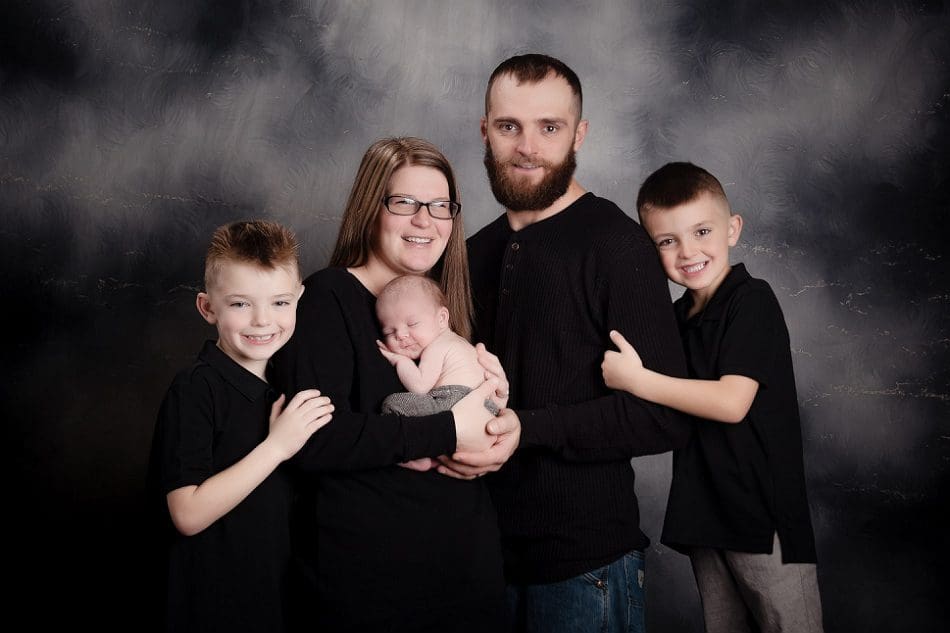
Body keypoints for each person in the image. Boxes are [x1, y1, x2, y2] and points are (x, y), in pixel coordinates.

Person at [465, 53, 692, 633]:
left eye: (550, 127)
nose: (528, 147)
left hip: (584, 567)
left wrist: (530, 428)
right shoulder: (470, 253)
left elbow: (664, 419)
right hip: (477, 562)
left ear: (579, 135)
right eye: (509, 126)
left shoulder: (617, 247)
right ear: (484, 129)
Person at [269, 137, 519, 633]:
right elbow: (314, 440)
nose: (425, 220)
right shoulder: (326, 299)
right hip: (368, 590)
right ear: (371, 208)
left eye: (441, 206)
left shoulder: (443, 311)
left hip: (466, 582)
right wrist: (449, 430)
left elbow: (468, 415)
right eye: (405, 202)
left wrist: (504, 429)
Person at [601, 161, 824, 633]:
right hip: (705, 515)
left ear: (733, 229)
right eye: (667, 241)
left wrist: (638, 380)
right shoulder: (675, 318)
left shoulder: (752, 300)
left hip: (763, 521)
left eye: (702, 231)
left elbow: (731, 402)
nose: (688, 251)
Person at [148, 220, 335, 633]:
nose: (262, 321)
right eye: (240, 304)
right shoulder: (196, 389)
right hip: (210, 607)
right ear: (207, 307)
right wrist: (276, 447)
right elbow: (188, 513)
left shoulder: (289, 381)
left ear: (299, 300)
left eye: (280, 303)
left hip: (272, 600)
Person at [376, 274, 499, 418]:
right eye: (389, 332)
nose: (401, 335)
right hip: (488, 407)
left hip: (455, 400)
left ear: (442, 319)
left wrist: (400, 361)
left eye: (412, 324)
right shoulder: (460, 343)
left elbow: (419, 387)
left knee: (394, 403)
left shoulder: (438, 347)